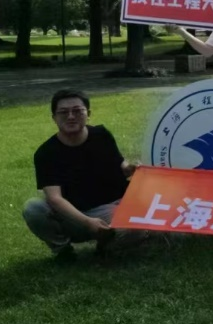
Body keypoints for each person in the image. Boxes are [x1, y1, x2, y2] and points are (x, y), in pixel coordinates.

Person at [22, 90, 136, 262]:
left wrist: (129, 168)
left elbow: (120, 164)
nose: (70, 117)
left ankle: (106, 246)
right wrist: (87, 222)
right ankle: (63, 251)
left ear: (88, 114)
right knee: (33, 208)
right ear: (54, 117)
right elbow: (54, 199)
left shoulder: (101, 135)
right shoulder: (46, 153)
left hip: (109, 207)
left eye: (77, 111)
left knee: (133, 228)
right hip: (73, 215)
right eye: (63, 112)